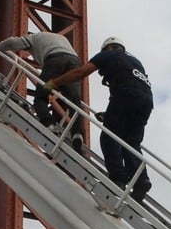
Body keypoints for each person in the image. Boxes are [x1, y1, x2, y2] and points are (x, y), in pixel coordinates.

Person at [43, 36, 153, 200]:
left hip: (125, 94)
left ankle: (118, 178)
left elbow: (80, 72)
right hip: (146, 101)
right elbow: (132, 88)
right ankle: (141, 180)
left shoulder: (107, 55)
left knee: (108, 137)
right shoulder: (136, 62)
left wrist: (53, 83)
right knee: (131, 142)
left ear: (108, 48)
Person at [0, 31, 83, 132]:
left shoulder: (34, 37)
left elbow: (13, 42)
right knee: (74, 101)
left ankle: (49, 124)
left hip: (55, 59)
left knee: (40, 97)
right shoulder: (60, 38)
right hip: (74, 62)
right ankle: (78, 133)